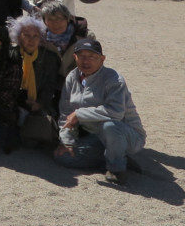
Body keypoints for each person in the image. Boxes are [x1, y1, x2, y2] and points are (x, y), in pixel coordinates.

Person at [54, 39, 146, 186]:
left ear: (102, 59)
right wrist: (67, 141)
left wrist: (79, 114)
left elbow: (115, 113)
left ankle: (117, 168)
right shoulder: (72, 77)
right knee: (63, 158)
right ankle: (112, 156)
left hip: (127, 134)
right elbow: (66, 113)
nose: (86, 61)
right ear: (74, 57)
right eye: (81, 56)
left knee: (109, 126)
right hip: (95, 136)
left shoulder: (114, 80)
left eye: (92, 57)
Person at [9, 14, 62, 147]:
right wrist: (22, 101)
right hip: (14, 102)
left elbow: (50, 85)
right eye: (26, 35)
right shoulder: (11, 55)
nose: (31, 40)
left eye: (35, 36)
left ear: (41, 38)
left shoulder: (49, 58)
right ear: (18, 37)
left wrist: (40, 102)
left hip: (39, 103)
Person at [40, 1, 94, 77]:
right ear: (44, 22)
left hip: (76, 80)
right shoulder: (40, 38)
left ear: (68, 19)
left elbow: (93, 64)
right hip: (49, 81)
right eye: (50, 19)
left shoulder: (85, 37)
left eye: (59, 18)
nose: (55, 23)